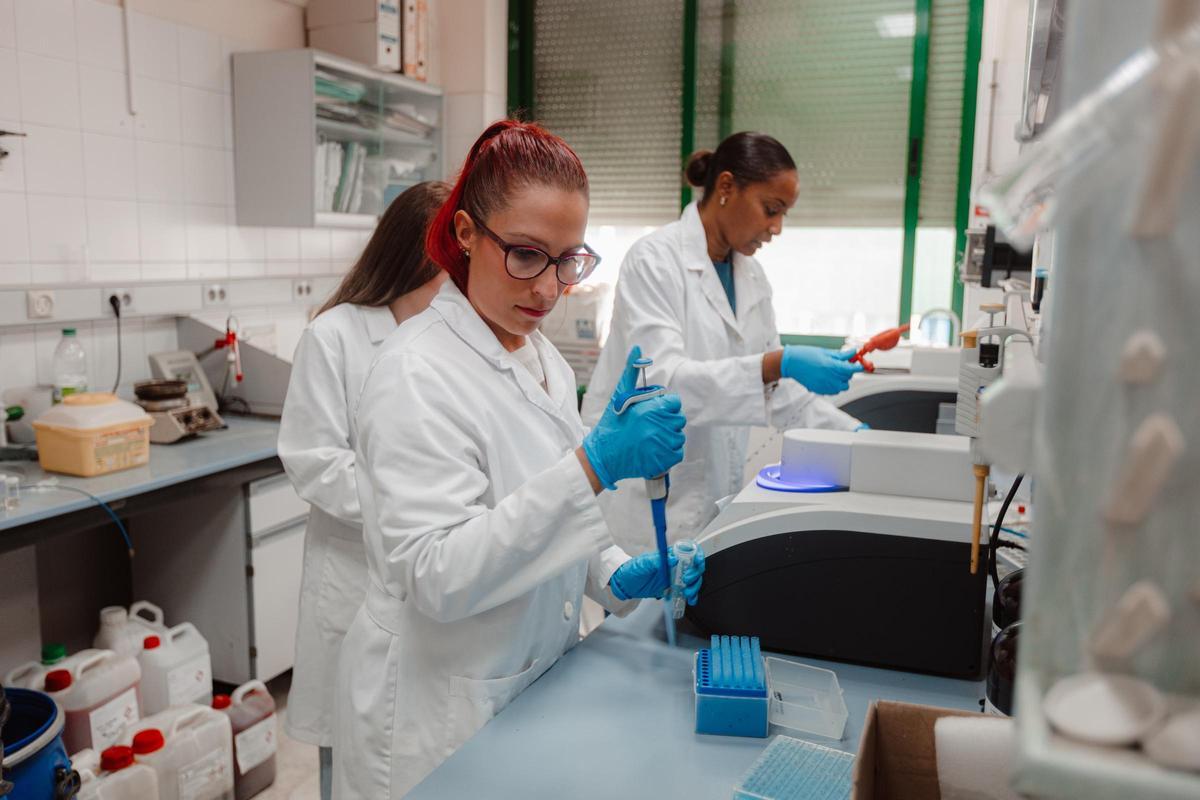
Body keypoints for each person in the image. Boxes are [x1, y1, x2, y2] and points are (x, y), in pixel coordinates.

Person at [333, 120, 706, 798]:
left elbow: (540, 522)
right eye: (528, 254)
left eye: (569, 261)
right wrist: (593, 465)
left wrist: (616, 575)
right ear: (469, 234)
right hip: (438, 710)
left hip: (529, 680)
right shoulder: (414, 372)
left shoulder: (542, 361)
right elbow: (436, 574)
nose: (549, 288)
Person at [581, 131, 864, 554]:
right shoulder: (654, 260)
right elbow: (664, 383)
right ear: (727, 187)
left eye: (784, 214)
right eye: (771, 210)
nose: (777, 228)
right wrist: (775, 363)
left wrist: (858, 438)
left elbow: (778, 394)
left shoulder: (752, 277)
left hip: (711, 494)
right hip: (645, 498)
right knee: (636, 614)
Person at [276, 181, 450, 800]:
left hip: (429, 590)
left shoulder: (450, 340)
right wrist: (412, 505)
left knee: (415, 748)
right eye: (449, 272)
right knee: (347, 758)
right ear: (412, 261)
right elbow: (314, 462)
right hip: (355, 580)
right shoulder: (336, 336)